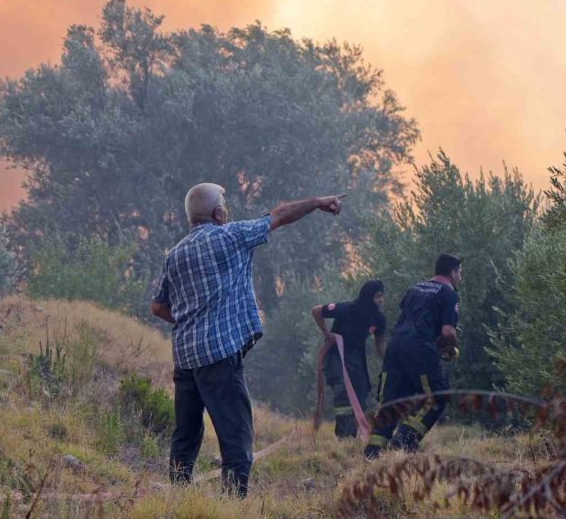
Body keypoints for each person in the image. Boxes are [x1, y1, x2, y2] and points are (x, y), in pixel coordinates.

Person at [151, 183, 345, 497]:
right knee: (236, 434)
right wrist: (319, 202)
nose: (226, 209)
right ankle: (233, 504)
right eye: (224, 204)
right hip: (219, 356)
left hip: (185, 358)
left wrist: (189, 316)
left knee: (185, 435)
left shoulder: (175, 254)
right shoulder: (232, 235)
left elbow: (158, 307)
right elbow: (279, 215)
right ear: (217, 213)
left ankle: (177, 499)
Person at [363, 254, 462, 460]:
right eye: (460, 273)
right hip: (420, 347)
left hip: (396, 346)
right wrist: (451, 349)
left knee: (392, 401)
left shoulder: (415, 288)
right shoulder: (449, 293)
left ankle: (372, 454)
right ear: (453, 273)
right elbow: (448, 332)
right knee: (438, 396)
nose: (460, 278)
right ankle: (405, 440)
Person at [311, 280, 387, 438]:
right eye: (378, 296)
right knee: (343, 392)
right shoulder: (345, 309)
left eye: (382, 296)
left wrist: (389, 361)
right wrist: (327, 333)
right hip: (335, 354)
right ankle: (344, 437)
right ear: (368, 296)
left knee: (361, 391)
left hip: (357, 356)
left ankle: (355, 434)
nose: (381, 300)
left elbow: (380, 342)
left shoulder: (378, 318)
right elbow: (316, 310)